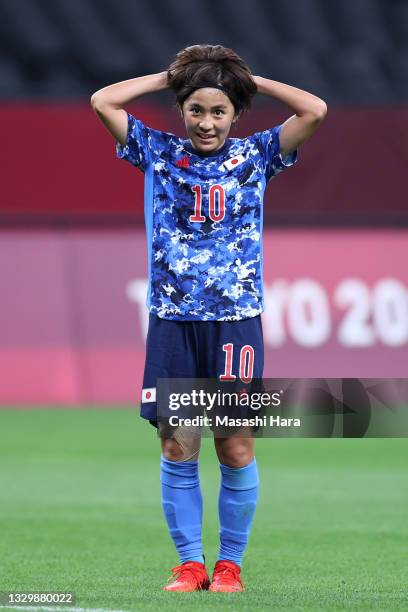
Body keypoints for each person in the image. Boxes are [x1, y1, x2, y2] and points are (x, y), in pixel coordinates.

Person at [91, 44, 327, 593]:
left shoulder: (257, 154)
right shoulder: (156, 150)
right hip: (173, 320)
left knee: (235, 447)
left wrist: (245, 80)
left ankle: (230, 567)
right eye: (196, 109)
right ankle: (190, 563)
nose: (207, 122)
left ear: (235, 115)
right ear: (182, 111)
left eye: (219, 110)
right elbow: (103, 101)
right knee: (178, 445)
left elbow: (314, 110)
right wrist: (173, 76)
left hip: (236, 322)